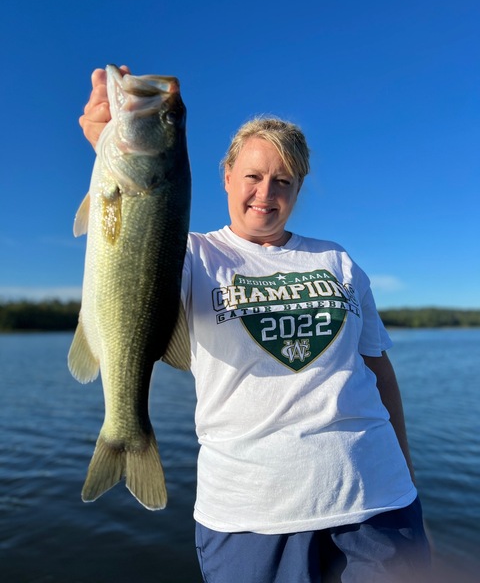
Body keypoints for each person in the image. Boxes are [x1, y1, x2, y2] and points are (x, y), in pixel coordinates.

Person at [79, 67, 431, 583]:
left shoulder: (338, 260)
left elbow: (378, 370)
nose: (266, 192)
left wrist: (408, 472)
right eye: (253, 176)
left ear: (298, 188)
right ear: (225, 177)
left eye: (283, 181)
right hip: (250, 518)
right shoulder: (194, 255)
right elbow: (131, 246)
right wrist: (108, 144)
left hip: (380, 504)